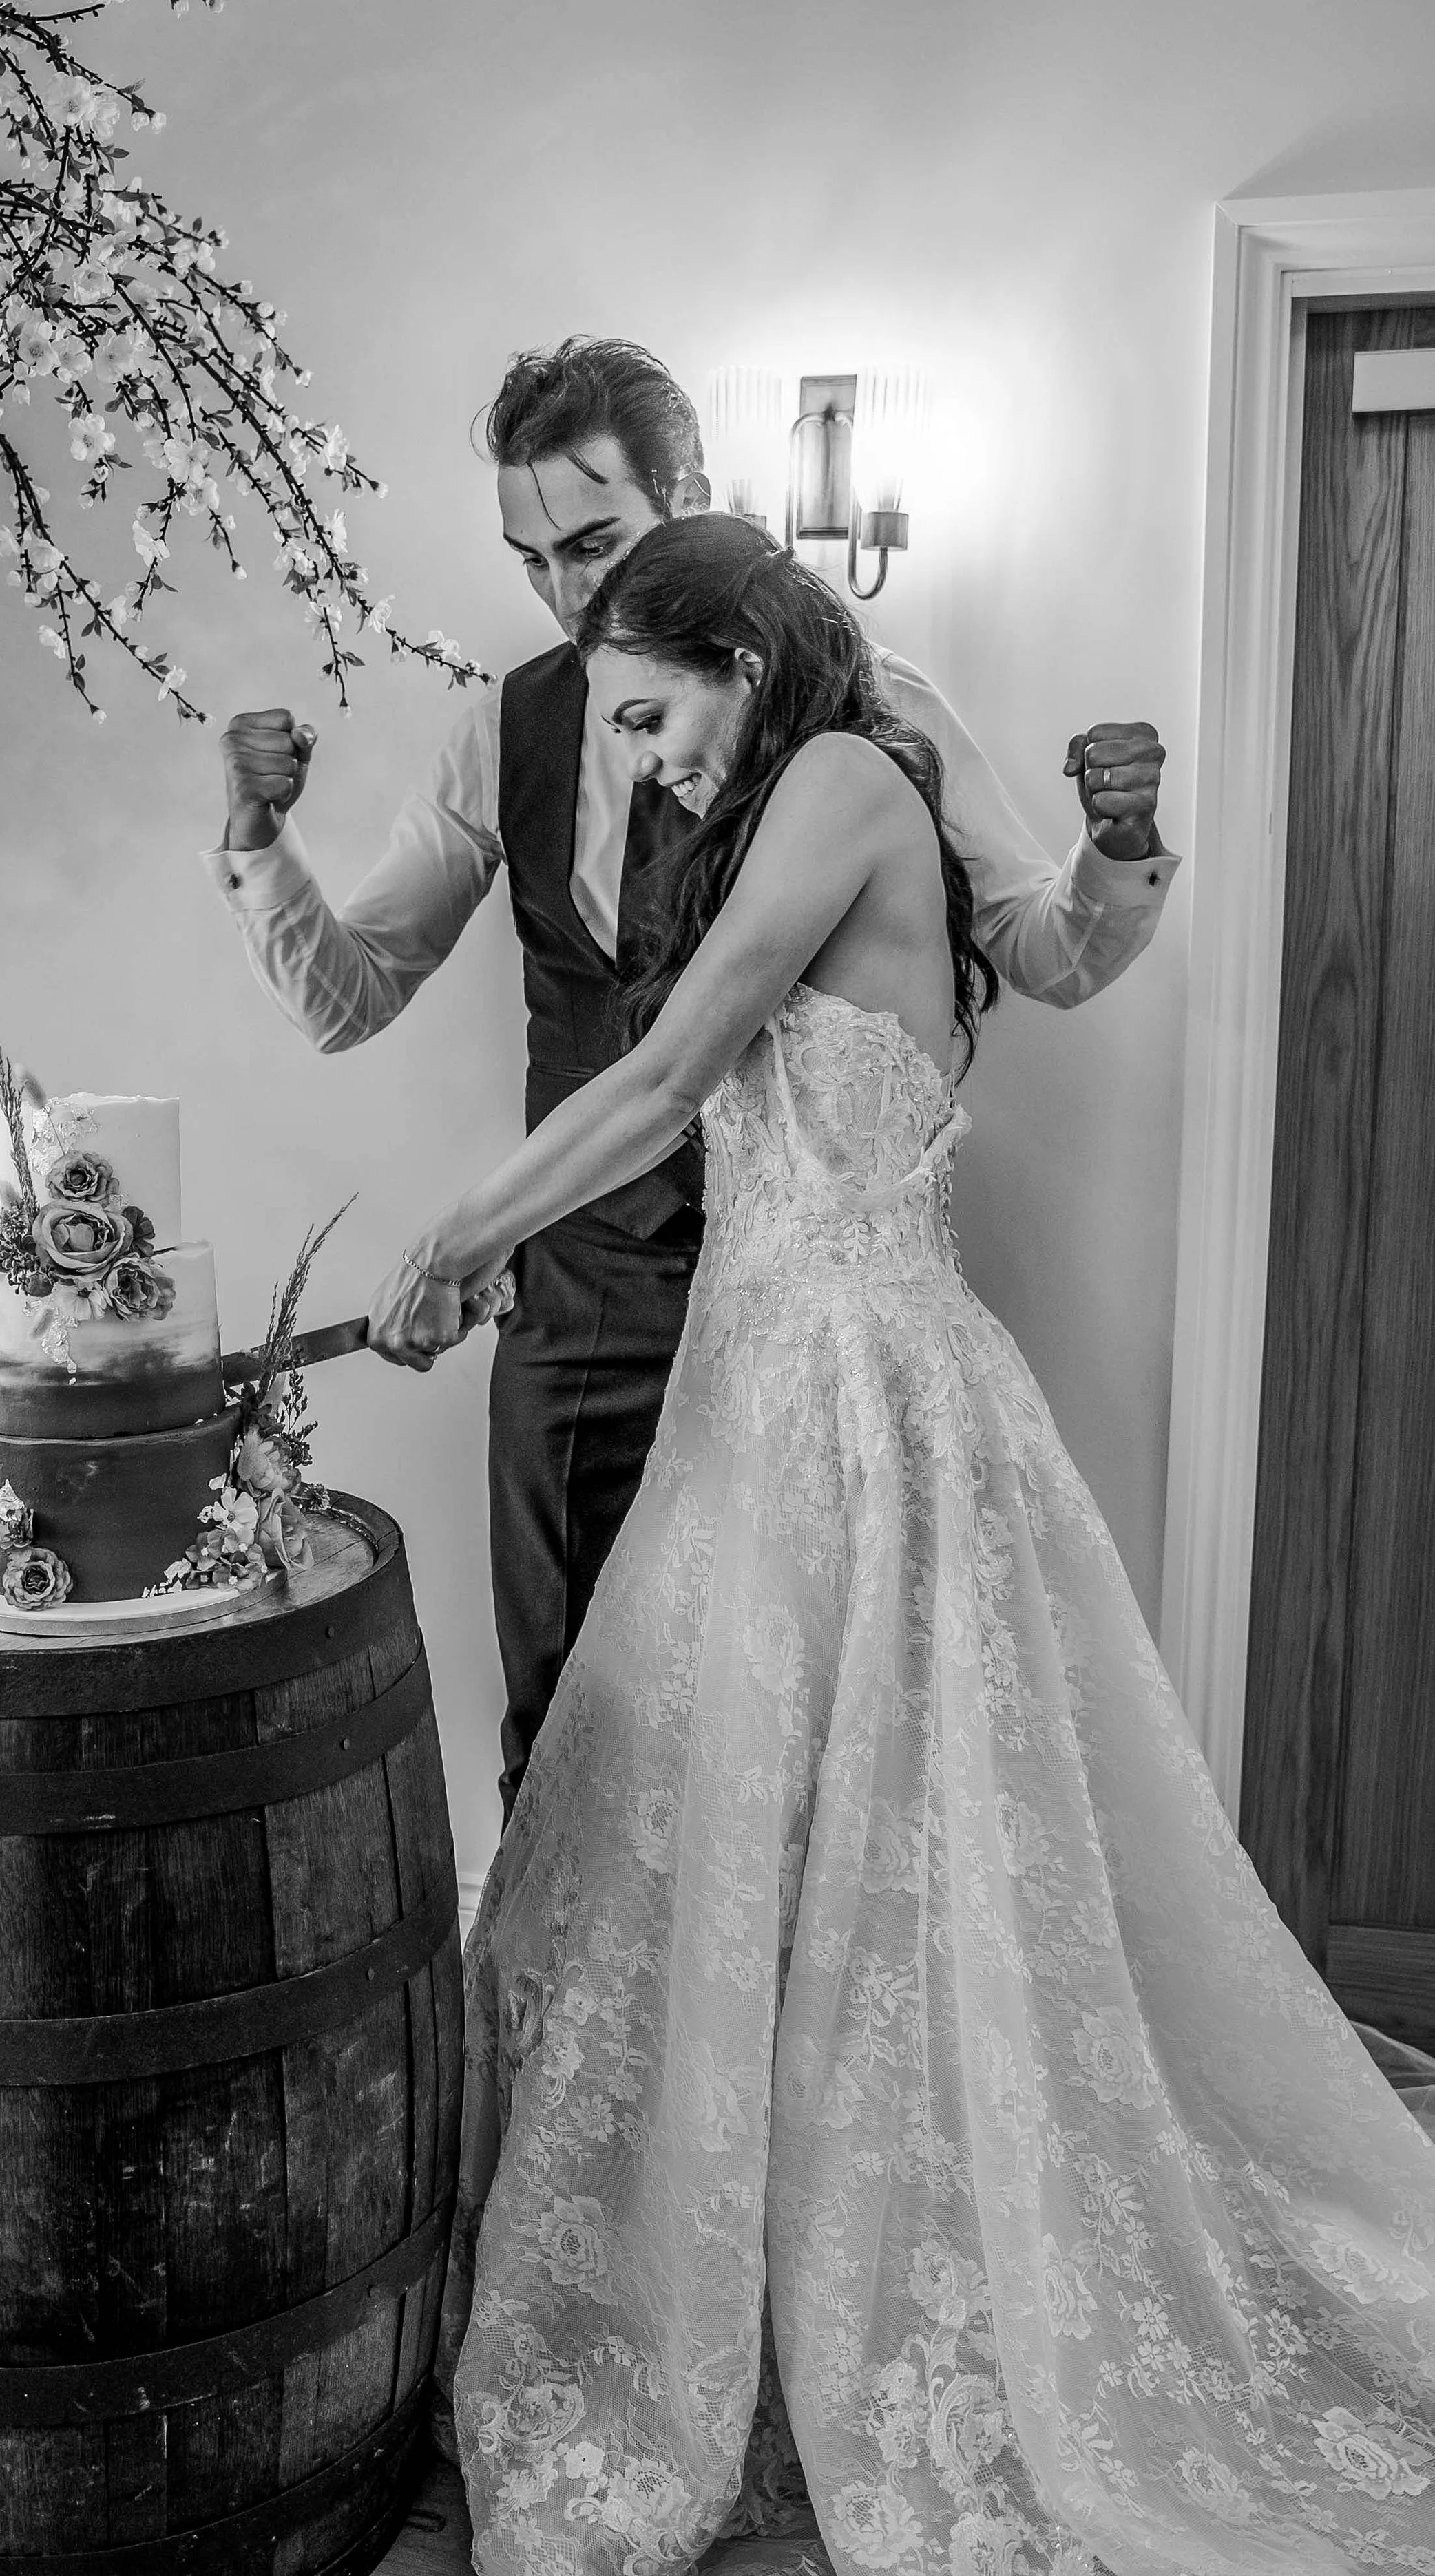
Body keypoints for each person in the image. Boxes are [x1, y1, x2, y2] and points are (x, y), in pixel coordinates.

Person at [366, 514, 1435, 2573]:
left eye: (653, 711)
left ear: (735, 655)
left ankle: (845, 2285)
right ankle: (755, 2258)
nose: (649, 756)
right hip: (773, 1380)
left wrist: (458, 1230)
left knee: (864, 1858)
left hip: (843, 1398)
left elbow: (681, 1066)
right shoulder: (810, 794)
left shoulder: (856, 774)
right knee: (736, 1842)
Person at [205, 338, 1177, 1823]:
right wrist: (260, 843)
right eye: (530, 558)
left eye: (592, 542)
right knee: (570, 1708)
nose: (565, 592)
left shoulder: (868, 722)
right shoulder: (505, 728)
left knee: (798, 1735)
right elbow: (348, 997)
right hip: (581, 1288)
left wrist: (1112, 854)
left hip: (797, 1299)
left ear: (694, 497)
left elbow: (1027, 949)